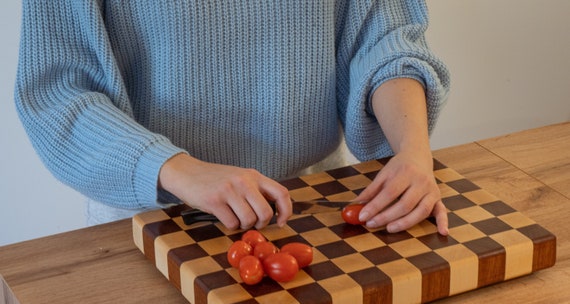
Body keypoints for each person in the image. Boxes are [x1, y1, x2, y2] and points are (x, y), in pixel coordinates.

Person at [15, 1, 450, 235]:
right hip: (148, 221)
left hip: (311, 203)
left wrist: (412, 152)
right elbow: (58, 93)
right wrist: (180, 170)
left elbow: (387, 39)